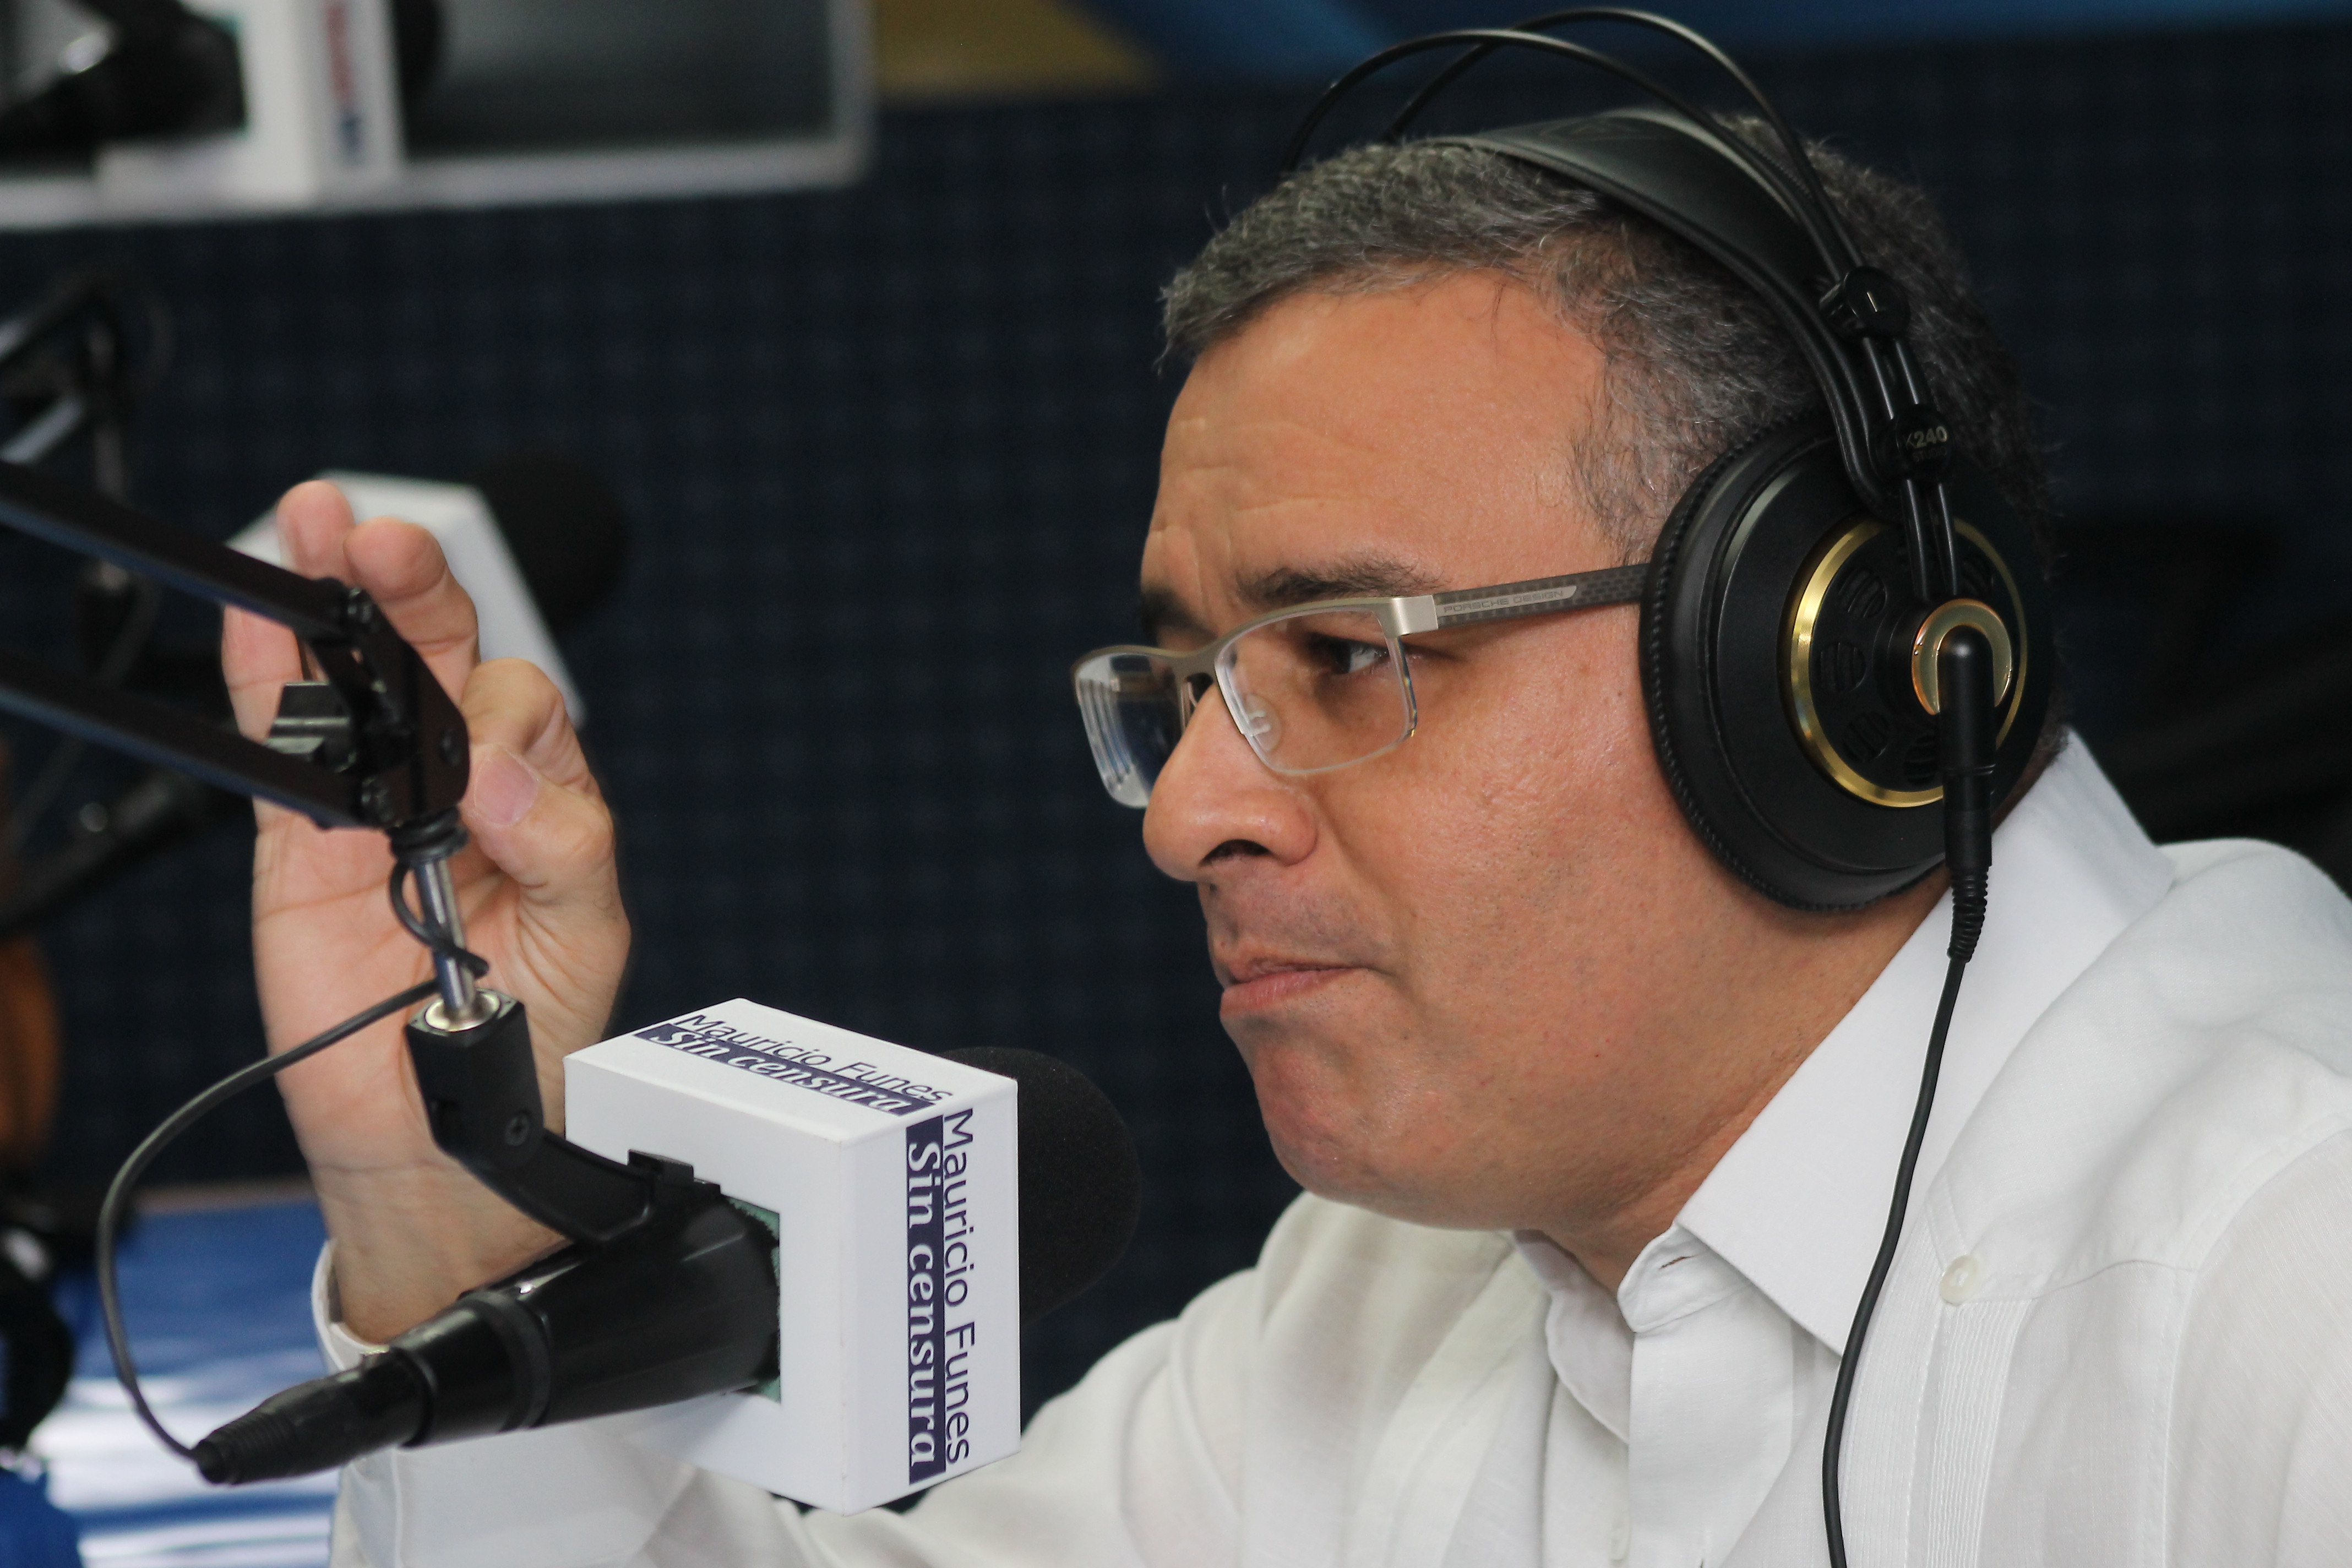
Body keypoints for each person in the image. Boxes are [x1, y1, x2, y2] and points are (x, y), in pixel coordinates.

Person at [223, 123, 2352, 1567]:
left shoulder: (2292, 1298)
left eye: (1344, 655)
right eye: (1181, 684)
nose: (1184, 814)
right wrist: (454, 1232)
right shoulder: (1403, 1278)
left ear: (1835, 671)